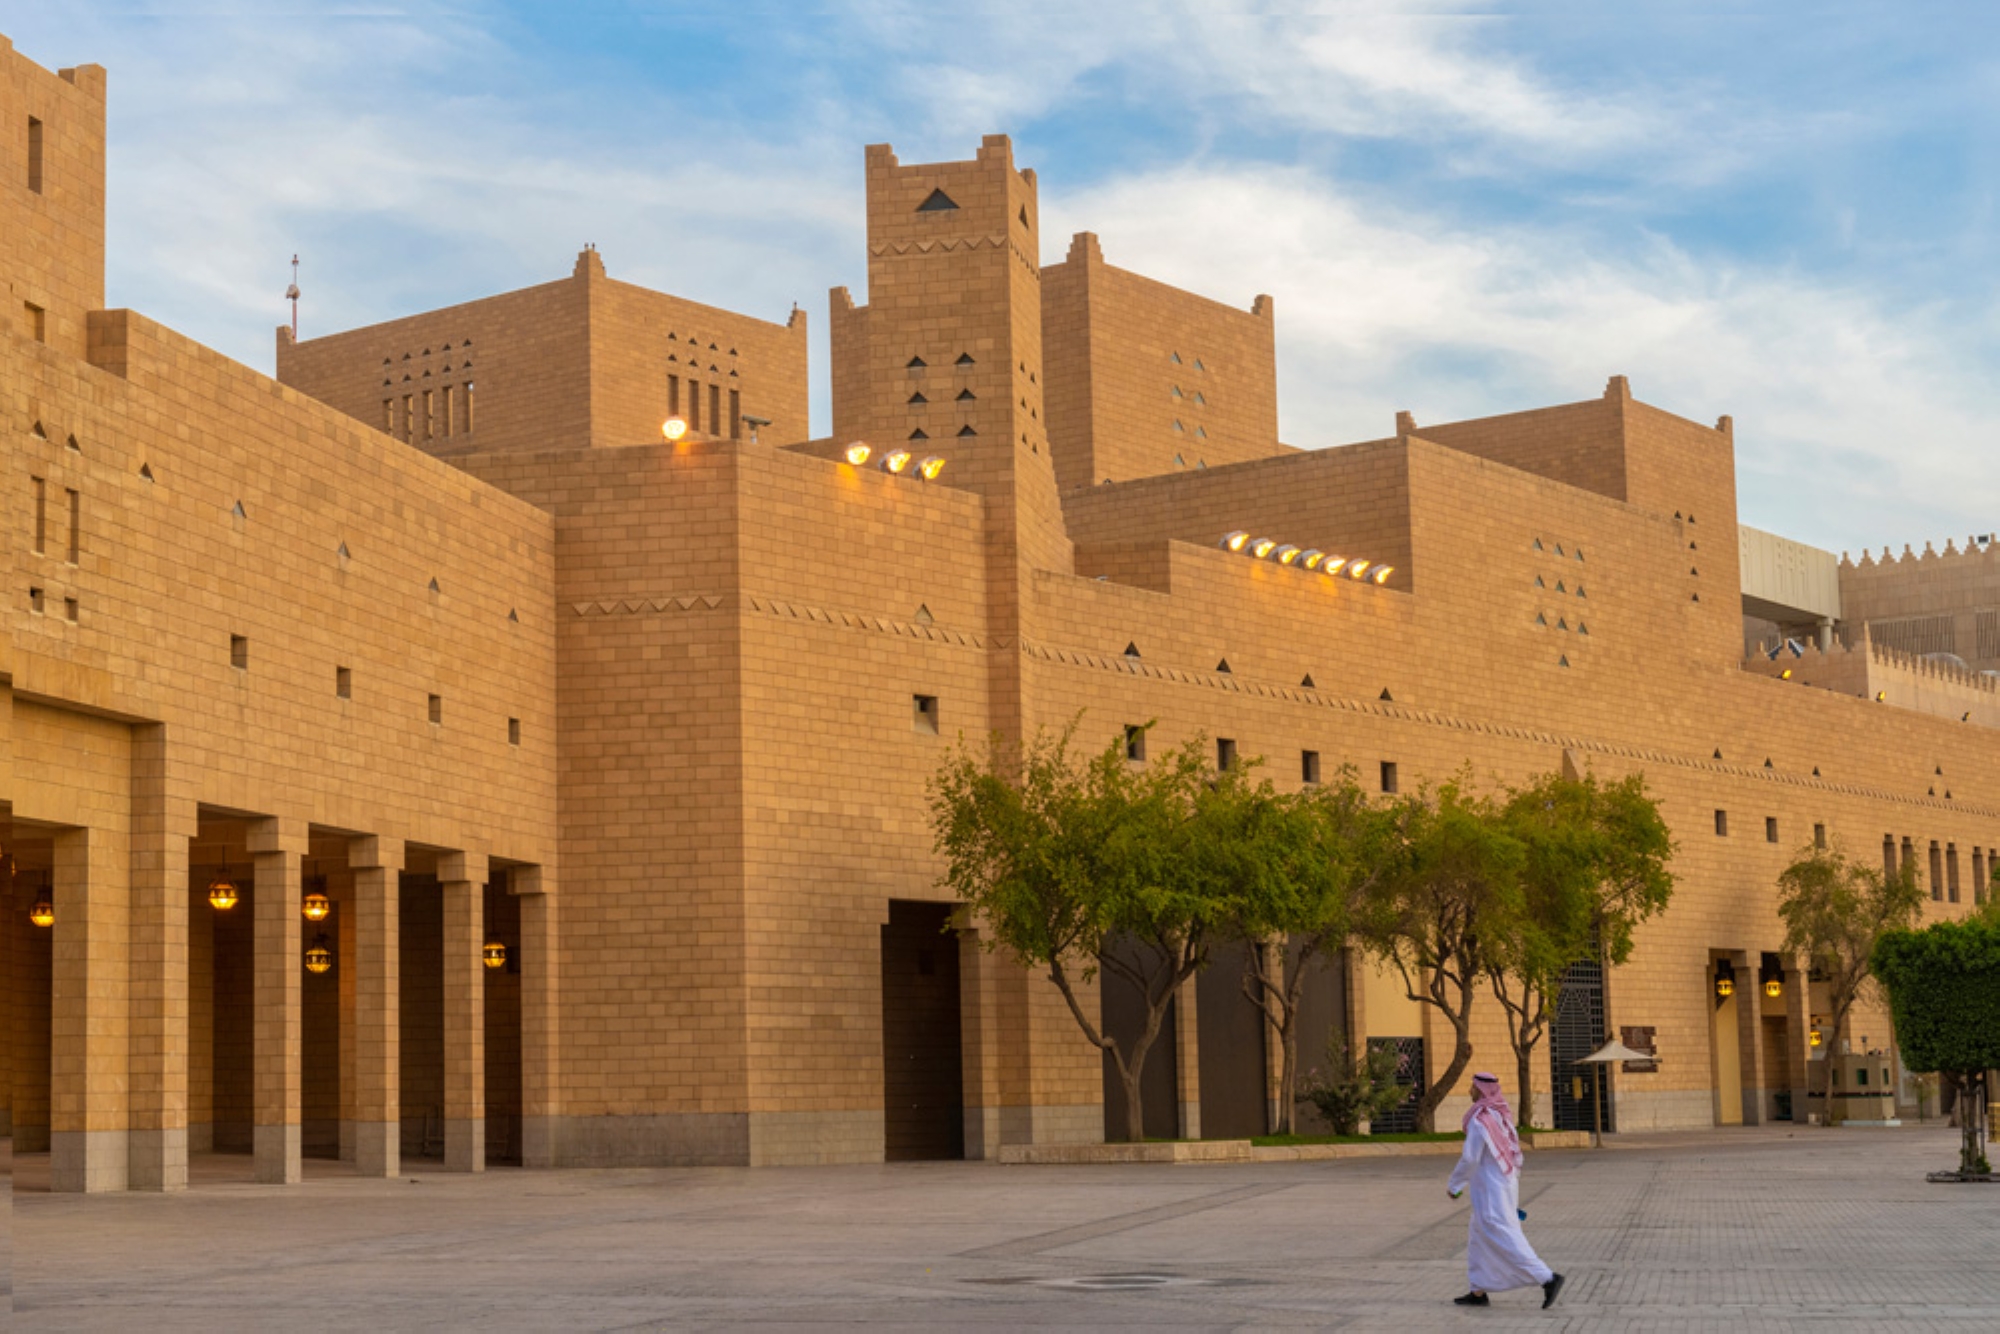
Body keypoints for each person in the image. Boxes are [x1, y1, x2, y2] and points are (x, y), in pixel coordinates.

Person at [1445, 1072, 1564, 1309]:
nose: (1470, 1091)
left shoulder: (1481, 1120)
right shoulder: (1500, 1115)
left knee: (1505, 1235)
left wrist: (1454, 1185)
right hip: (1504, 1185)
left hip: (1491, 1190)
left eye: (1472, 1088)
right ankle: (1477, 1291)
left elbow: (1470, 1158)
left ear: (1481, 1091)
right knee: (1478, 1237)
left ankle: (1547, 1278)